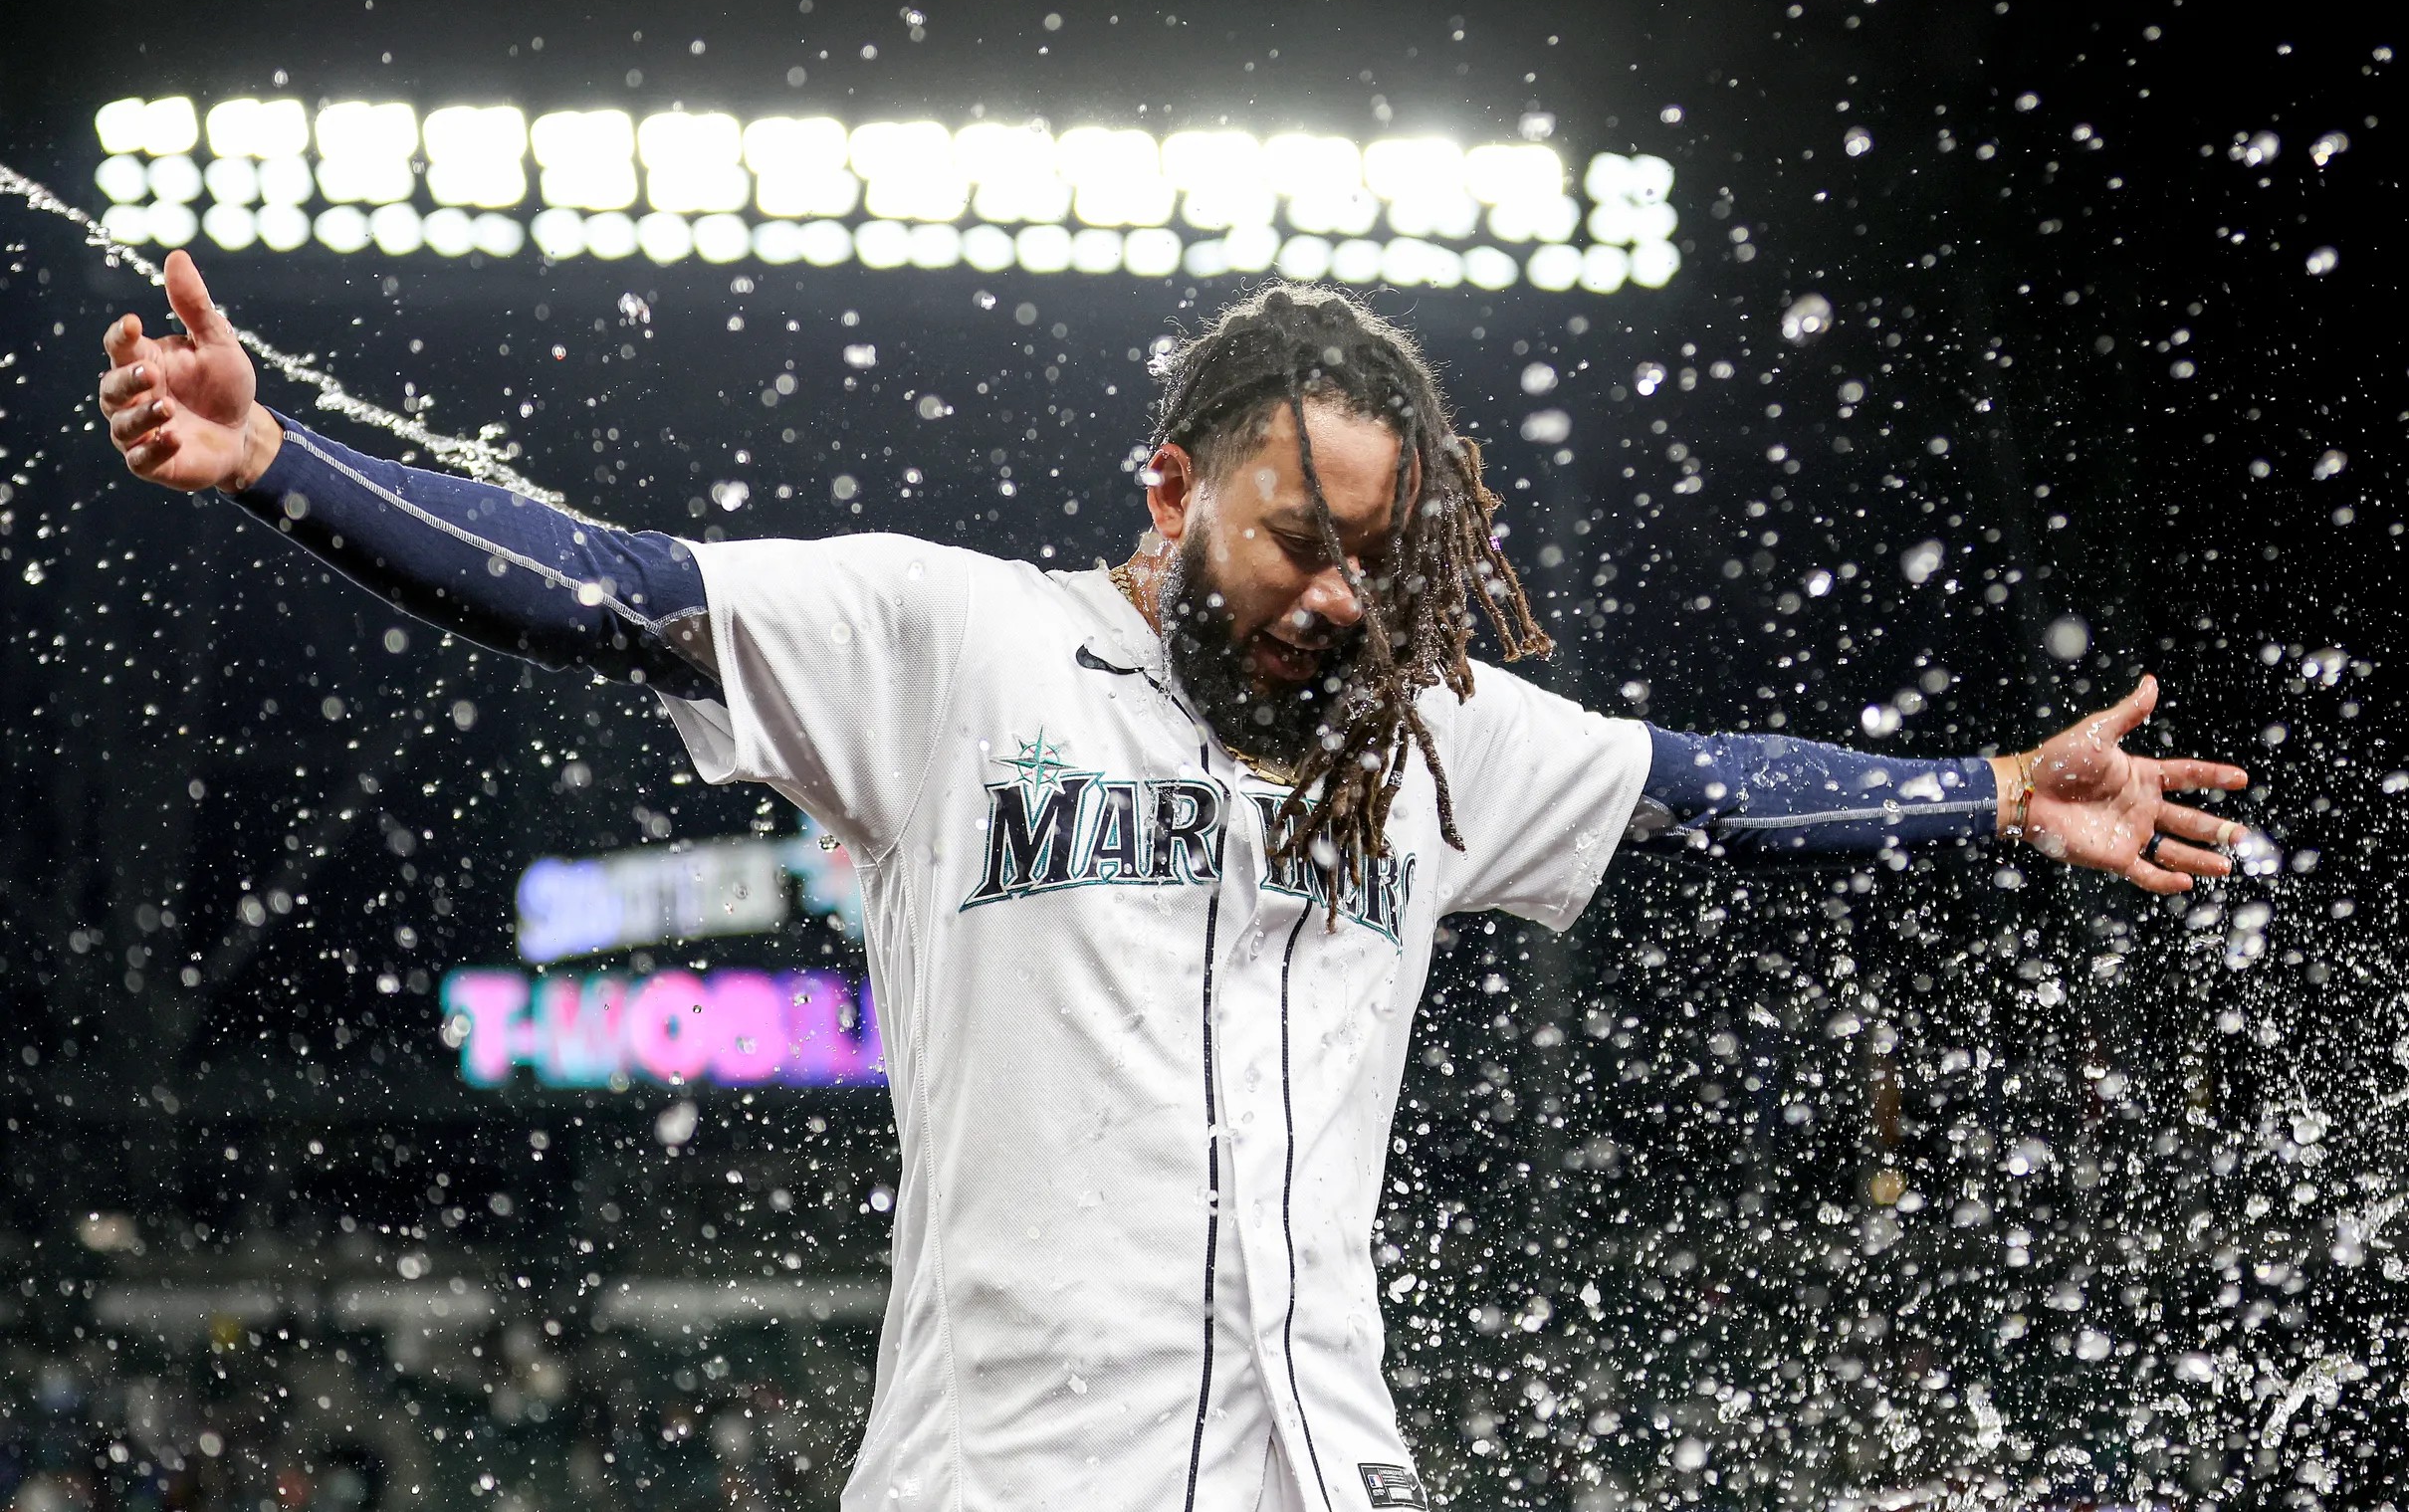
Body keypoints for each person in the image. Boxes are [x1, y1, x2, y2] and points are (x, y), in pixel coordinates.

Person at [95, 252, 2250, 1512]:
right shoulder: (954, 645)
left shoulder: (1435, 728)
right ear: (1169, 488)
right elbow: (616, 592)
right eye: (1292, 541)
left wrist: (1982, 795)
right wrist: (285, 464)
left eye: (1375, 559)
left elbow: (1697, 789)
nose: (1336, 597)